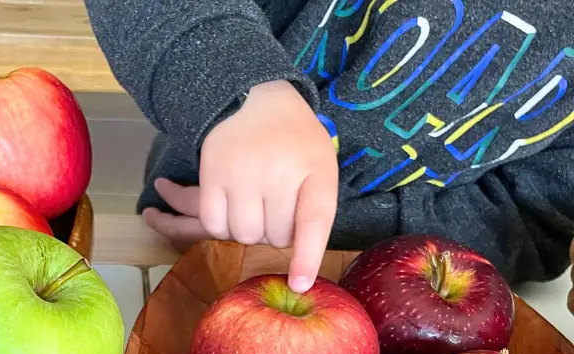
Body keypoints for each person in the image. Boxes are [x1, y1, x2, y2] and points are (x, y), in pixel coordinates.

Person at [84, 0, 574, 292]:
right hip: (189, 242)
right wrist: (242, 85)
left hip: (418, 300)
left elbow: (537, 222)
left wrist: (328, 224)